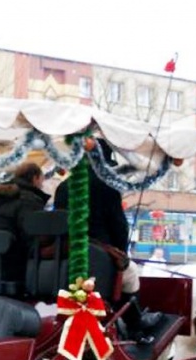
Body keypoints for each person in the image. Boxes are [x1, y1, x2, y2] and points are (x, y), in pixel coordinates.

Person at [54, 140, 163, 343]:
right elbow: (119, 226)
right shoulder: (107, 186)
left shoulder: (63, 188)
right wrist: (121, 253)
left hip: (66, 252)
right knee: (130, 275)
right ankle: (134, 325)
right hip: (97, 254)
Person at [0, 161, 51, 282]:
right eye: (42, 179)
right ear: (35, 178)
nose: (42, 184)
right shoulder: (28, 199)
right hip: (16, 265)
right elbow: (33, 233)